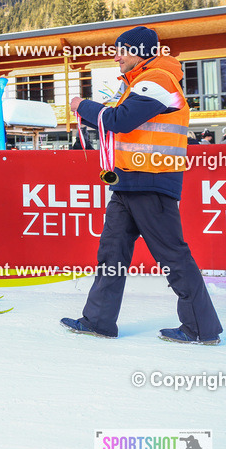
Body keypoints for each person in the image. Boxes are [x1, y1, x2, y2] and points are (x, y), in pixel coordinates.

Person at [62, 26, 221, 345]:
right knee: (111, 253)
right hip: (128, 182)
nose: (116, 56)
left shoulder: (159, 79)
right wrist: (92, 112)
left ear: (140, 52)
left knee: (172, 255)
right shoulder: (139, 82)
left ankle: (201, 329)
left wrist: (82, 105)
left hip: (152, 181)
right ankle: (98, 321)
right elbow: (118, 122)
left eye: (122, 50)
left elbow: (120, 120)